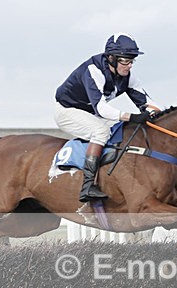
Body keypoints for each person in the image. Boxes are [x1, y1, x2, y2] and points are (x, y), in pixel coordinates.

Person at [54, 34, 161, 203]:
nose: (129, 66)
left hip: (92, 113)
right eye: (125, 61)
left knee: (125, 130)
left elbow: (146, 102)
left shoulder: (128, 76)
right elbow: (101, 108)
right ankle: (87, 185)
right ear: (111, 58)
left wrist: (161, 115)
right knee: (101, 131)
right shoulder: (94, 70)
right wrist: (131, 116)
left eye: (132, 60)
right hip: (68, 111)